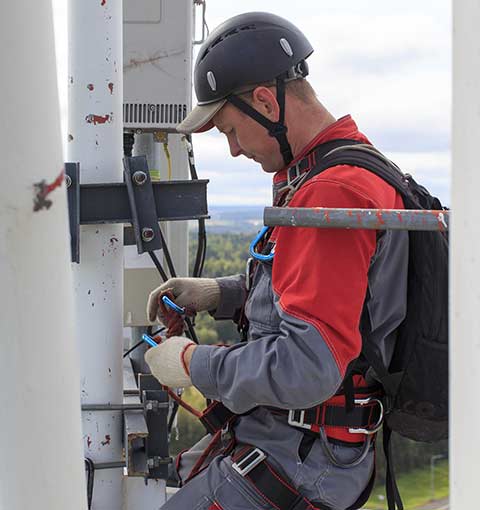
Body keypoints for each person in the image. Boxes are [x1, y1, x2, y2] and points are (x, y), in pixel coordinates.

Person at [145, 11, 408, 510]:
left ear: (265, 102)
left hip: (301, 461)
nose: (234, 150)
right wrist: (223, 294)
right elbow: (326, 303)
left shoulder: (332, 192)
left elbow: (308, 365)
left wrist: (191, 362)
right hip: (296, 444)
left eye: (230, 129)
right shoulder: (336, 171)